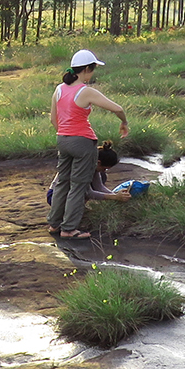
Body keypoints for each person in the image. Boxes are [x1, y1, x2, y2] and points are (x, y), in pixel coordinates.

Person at [47, 49, 129, 240]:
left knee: (62, 183)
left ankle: (54, 224)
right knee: (78, 185)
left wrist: (66, 133)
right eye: (92, 69)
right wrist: (124, 122)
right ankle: (69, 229)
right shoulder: (85, 91)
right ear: (86, 69)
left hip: (63, 139)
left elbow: (54, 120)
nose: (93, 73)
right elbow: (118, 108)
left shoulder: (59, 89)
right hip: (82, 142)